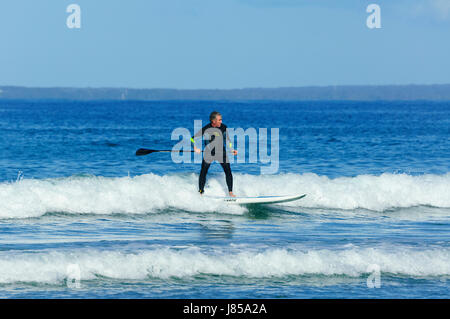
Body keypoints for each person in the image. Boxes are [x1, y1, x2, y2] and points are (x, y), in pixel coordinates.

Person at [191, 111, 238, 196]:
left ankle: (230, 192)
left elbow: (227, 140)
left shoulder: (224, 127)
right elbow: (192, 139)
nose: (221, 121)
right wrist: (195, 148)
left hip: (221, 152)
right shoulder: (206, 129)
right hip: (209, 153)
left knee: (228, 171)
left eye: (221, 120)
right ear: (213, 121)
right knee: (203, 172)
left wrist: (231, 149)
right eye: (219, 120)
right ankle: (201, 192)